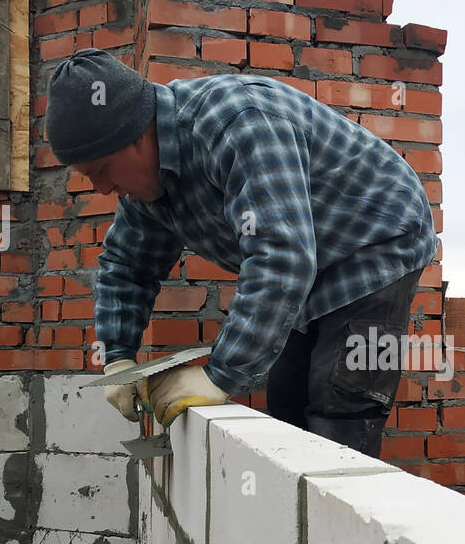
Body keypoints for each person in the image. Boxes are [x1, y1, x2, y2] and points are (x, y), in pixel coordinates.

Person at [44, 49, 438, 457]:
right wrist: (118, 358)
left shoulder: (237, 121)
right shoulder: (146, 186)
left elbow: (280, 256)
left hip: (379, 238)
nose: (103, 190)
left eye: (102, 171)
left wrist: (219, 376)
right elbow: (127, 266)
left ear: (138, 135)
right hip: (315, 259)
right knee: (287, 402)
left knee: (337, 407)